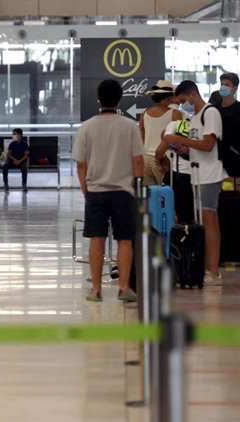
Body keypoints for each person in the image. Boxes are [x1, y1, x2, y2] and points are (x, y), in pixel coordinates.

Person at [72, 79, 144, 303]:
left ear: (98, 99)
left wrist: (86, 189)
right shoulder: (129, 126)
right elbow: (139, 163)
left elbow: (81, 164)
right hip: (123, 191)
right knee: (125, 239)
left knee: (97, 238)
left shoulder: (87, 127)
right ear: (119, 99)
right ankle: (123, 286)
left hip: (96, 191)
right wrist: (133, 186)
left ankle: (95, 289)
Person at [164, 80, 225, 286]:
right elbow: (198, 148)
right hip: (198, 175)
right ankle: (206, 267)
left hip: (210, 175)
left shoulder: (210, 113)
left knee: (210, 222)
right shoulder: (195, 118)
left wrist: (181, 140)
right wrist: (183, 149)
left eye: (182, 100)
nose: (182, 105)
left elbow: (208, 145)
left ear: (191, 94)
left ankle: (214, 272)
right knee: (205, 222)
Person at [139, 80, 181, 185]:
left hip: (146, 158)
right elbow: (182, 138)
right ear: (169, 97)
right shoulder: (176, 114)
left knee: (151, 196)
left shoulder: (144, 112)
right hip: (163, 160)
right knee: (166, 194)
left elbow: (141, 136)